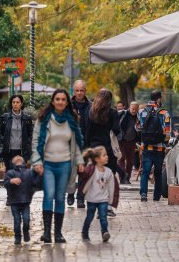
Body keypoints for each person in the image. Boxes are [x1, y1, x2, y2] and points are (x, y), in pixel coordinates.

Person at [31, 88, 85, 243]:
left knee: (60, 197)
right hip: (47, 164)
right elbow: (35, 142)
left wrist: (80, 161)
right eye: (57, 99)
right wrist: (37, 161)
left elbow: (77, 144)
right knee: (49, 194)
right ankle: (47, 233)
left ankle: (58, 233)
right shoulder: (43, 119)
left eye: (63, 99)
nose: (60, 102)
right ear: (53, 101)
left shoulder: (72, 120)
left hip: (65, 164)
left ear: (67, 102)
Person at [86, 88, 121, 216]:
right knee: (108, 178)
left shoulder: (91, 113)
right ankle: (107, 207)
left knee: (96, 178)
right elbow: (117, 130)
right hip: (108, 150)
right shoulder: (112, 113)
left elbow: (88, 133)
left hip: (95, 148)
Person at [78, 147, 119, 242]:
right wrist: (81, 170)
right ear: (97, 159)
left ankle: (105, 232)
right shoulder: (91, 169)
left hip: (103, 200)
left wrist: (110, 200)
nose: (107, 157)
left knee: (103, 217)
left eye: (106, 154)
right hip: (92, 199)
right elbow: (83, 176)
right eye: (104, 155)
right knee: (89, 217)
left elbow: (112, 187)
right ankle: (85, 232)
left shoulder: (109, 172)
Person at [137, 90, 171, 202]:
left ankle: (143, 194)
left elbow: (137, 128)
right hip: (159, 148)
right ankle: (156, 197)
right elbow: (167, 133)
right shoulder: (164, 113)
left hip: (146, 147)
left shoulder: (141, 111)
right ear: (159, 99)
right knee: (158, 173)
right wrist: (165, 142)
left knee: (145, 172)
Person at [3, 155, 40, 245]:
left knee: (26, 220)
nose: (18, 157)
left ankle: (26, 232)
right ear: (13, 162)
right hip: (14, 201)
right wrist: (11, 181)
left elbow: (35, 183)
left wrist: (37, 172)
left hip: (25, 201)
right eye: (16, 158)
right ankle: (17, 237)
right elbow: (5, 183)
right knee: (17, 221)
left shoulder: (29, 172)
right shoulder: (10, 173)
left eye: (20, 158)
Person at [69, 79, 92, 208]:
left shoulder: (91, 106)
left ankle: (80, 198)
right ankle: (71, 193)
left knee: (83, 173)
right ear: (74, 91)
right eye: (77, 90)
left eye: (81, 90)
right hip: (70, 144)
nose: (79, 93)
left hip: (85, 144)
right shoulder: (67, 105)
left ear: (85, 91)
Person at [0, 94, 34, 171]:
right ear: (11, 104)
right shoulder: (5, 117)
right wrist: (3, 140)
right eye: (13, 102)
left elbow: (30, 134)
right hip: (9, 151)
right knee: (9, 172)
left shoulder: (27, 118)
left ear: (21, 104)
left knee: (21, 173)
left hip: (22, 151)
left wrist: (28, 143)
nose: (15, 104)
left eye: (17, 102)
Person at [117, 101, 140, 184]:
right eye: (132, 109)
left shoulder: (138, 117)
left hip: (132, 141)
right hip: (121, 140)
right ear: (129, 107)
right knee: (121, 158)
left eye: (135, 109)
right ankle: (122, 177)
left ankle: (127, 178)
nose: (134, 111)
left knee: (130, 161)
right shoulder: (123, 114)